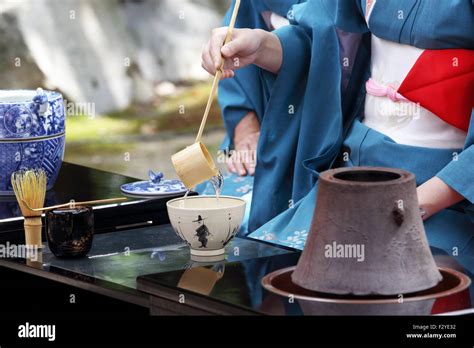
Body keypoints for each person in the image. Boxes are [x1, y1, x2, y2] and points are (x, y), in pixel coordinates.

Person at [201, 0, 474, 274]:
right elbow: (325, 44)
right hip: (351, 172)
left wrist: (414, 206)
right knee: (250, 250)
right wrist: (262, 46)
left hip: (445, 191)